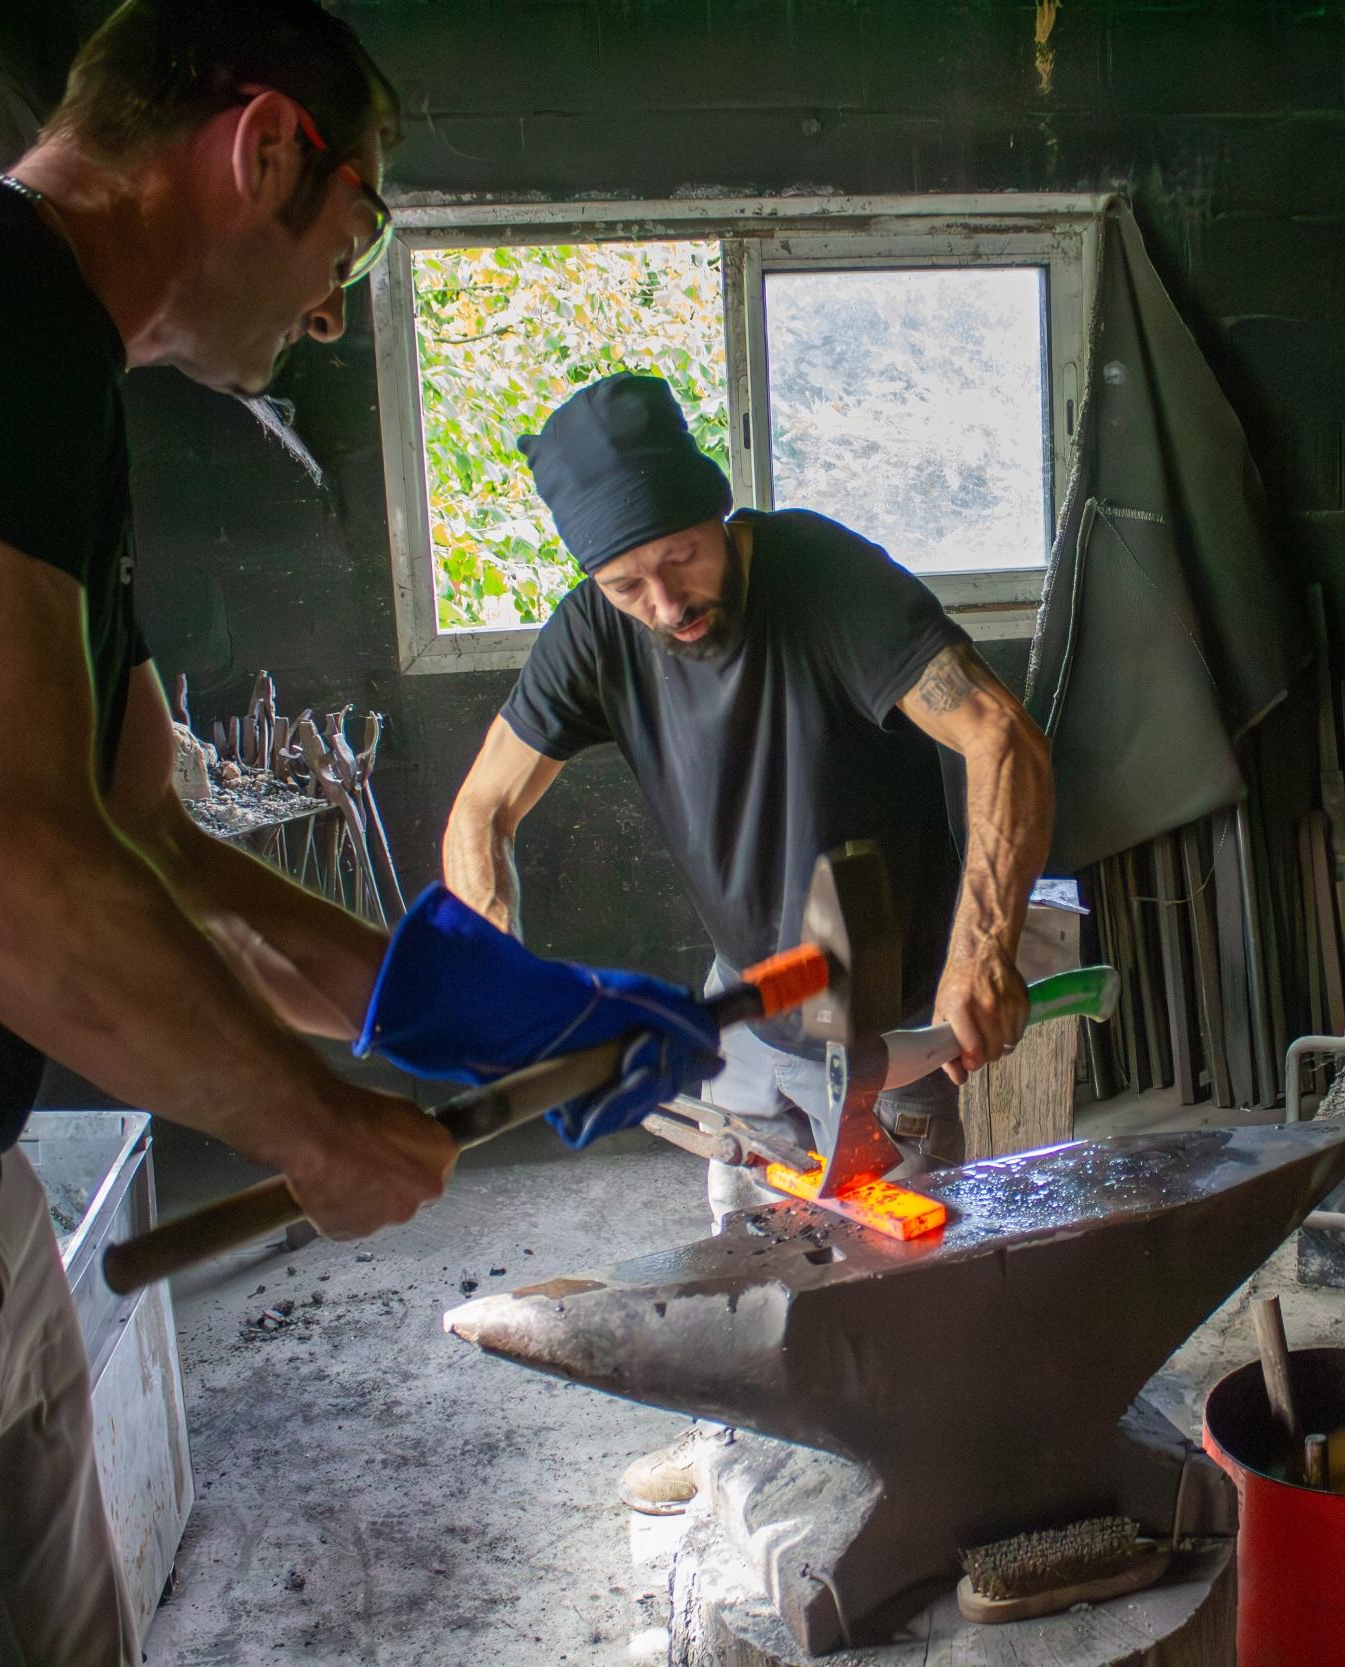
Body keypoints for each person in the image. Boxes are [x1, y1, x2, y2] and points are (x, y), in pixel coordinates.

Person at [0, 5, 709, 1662]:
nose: (339, 311)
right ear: (265, 148)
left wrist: (512, 1009)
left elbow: (151, 852)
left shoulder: (45, 371)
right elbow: (3, 874)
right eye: (349, 239)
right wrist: (309, 1121)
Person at [442, 372, 1056, 1512]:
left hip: (889, 1014)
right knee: (739, 1255)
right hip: (746, 988)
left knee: (904, 1274)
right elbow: (481, 811)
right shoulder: (597, 628)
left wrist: (983, 949)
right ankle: (739, 1448)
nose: (663, 602)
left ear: (718, 512)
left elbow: (1000, 736)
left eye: (680, 559)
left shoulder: (825, 578)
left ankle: (919, 1483)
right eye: (627, 584)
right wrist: (493, 971)